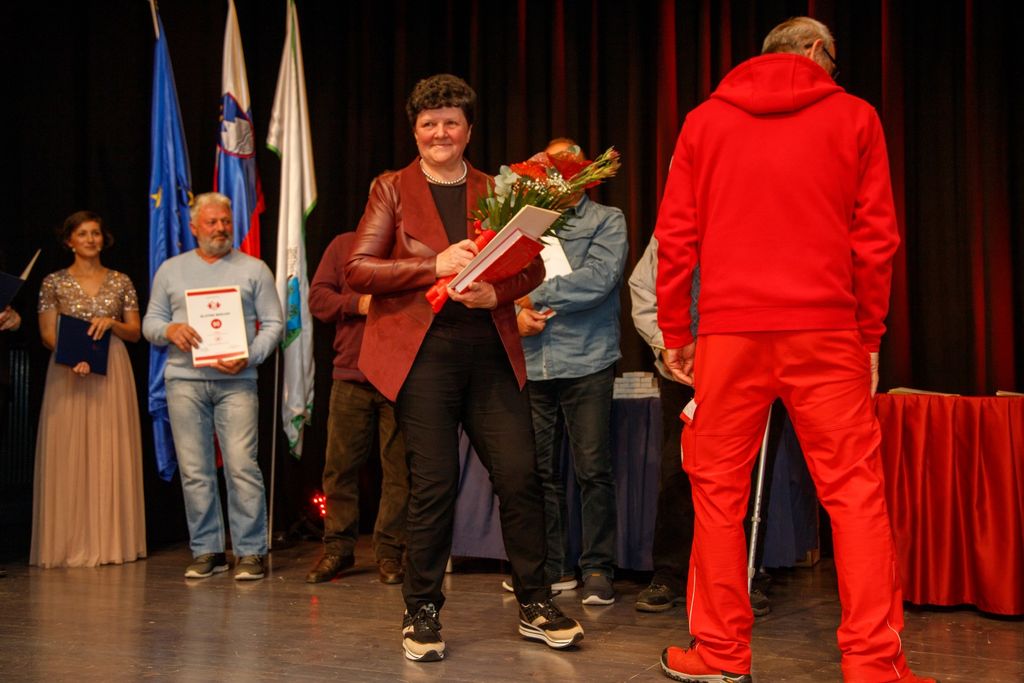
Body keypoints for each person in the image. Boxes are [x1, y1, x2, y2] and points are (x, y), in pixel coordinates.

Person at [654, 17, 935, 683]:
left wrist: (676, 333)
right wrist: (869, 333)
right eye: (833, 60)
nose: (834, 73)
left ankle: (720, 653)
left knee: (717, 494)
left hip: (730, 334)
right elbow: (876, 239)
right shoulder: (855, 116)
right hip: (825, 331)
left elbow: (676, 235)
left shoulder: (704, 121)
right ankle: (873, 663)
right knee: (855, 493)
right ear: (814, 51)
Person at [345, 74, 583, 662]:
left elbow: (532, 268)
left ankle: (535, 602)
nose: (440, 133)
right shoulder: (391, 189)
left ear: (468, 130)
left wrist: (496, 294)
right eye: (429, 123)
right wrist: (434, 265)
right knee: (434, 484)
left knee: (522, 476)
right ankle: (421, 609)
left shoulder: (497, 189)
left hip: (489, 350)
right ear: (415, 131)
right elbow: (359, 269)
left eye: (450, 122)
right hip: (421, 354)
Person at [143, 192, 282, 582]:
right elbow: (150, 323)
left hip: (237, 382)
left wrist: (250, 355)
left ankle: (250, 552)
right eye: (212, 222)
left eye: (225, 221)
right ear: (194, 227)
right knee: (195, 470)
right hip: (184, 383)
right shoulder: (171, 270)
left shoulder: (254, 269)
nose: (221, 228)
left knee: (241, 466)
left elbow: (274, 323)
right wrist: (170, 329)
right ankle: (208, 551)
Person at [515, 138, 627, 605]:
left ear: (584, 173)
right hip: (533, 361)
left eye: (564, 167)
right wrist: (515, 312)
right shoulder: (525, 223)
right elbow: (499, 278)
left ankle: (598, 567)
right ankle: (555, 567)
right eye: (548, 167)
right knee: (537, 471)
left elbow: (599, 280)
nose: (556, 175)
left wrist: (533, 295)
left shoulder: (607, 220)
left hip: (588, 359)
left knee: (593, 469)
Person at [30, 211, 147, 568]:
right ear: (69, 241)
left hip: (112, 367)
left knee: (110, 447)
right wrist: (71, 359)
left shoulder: (121, 280)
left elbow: (135, 331)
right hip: (68, 370)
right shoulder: (53, 282)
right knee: (68, 452)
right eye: (82, 234)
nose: (91, 239)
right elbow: (47, 333)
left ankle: (110, 541)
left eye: (95, 233)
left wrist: (112, 323)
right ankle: (69, 541)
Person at [306, 229, 408, 585]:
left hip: (398, 377)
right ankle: (338, 549)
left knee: (399, 473)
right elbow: (318, 300)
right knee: (339, 469)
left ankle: (390, 552)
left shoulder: (410, 248)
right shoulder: (342, 245)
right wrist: (356, 303)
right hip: (350, 375)